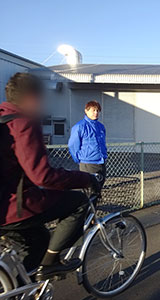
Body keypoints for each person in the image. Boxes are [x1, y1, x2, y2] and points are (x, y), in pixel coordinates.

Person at [0, 73, 99, 280]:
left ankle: (23, 285)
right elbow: (42, 175)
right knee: (79, 203)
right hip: (14, 206)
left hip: (5, 204)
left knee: (40, 240)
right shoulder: (23, 123)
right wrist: (84, 178)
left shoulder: (3, 119)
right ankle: (50, 265)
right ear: (32, 98)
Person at [68, 100, 107, 188]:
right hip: (88, 164)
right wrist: (80, 159)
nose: (96, 113)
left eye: (97, 110)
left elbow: (102, 143)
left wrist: (104, 156)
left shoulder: (101, 127)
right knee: (89, 190)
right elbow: (73, 145)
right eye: (93, 110)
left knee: (98, 190)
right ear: (86, 111)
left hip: (101, 163)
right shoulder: (79, 127)